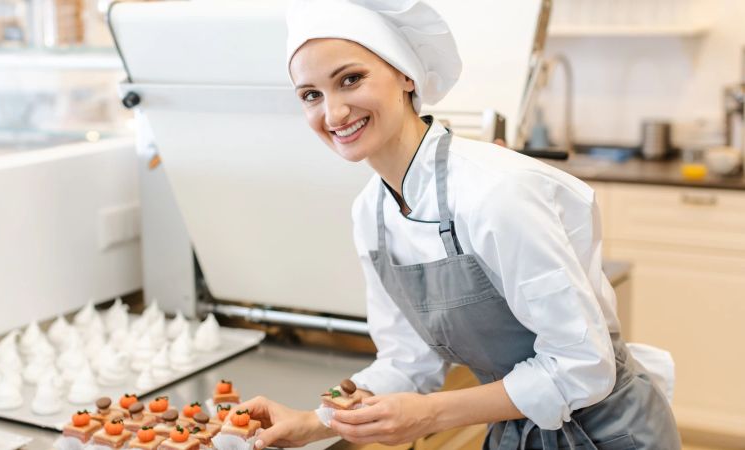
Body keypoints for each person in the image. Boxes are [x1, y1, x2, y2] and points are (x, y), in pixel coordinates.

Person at [236, 1, 681, 449]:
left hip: (609, 432)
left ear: (406, 74)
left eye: (350, 79)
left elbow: (583, 364)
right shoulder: (371, 214)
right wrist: (315, 420)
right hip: (517, 434)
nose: (333, 114)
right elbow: (406, 363)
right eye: (311, 95)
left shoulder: (495, 192)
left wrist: (429, 413)